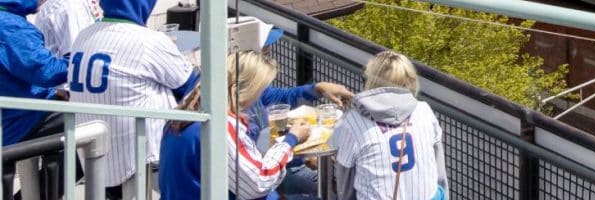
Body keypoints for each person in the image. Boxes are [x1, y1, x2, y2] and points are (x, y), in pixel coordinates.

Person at [66, 0, 200, 194]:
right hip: (138, 156)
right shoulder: (148, 41)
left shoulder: (84, 35)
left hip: (93, 151)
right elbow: (191, 85)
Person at [158, 51, 309, 200]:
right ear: (249, 89)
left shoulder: (184, 113)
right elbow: (260, 181)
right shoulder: (220, 125)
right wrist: (291, 139)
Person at [332, 51, 446, 200]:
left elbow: (344, 190)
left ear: (370, 81)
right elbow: (441, 177)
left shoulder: (353, 123)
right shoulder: (424, 110)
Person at [0, 0, 69, 149]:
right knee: (88, 120)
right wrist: (78, 62)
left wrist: (53, 92)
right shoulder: (12, 28)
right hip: (18, 119)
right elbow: (45, 71)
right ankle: (60, 179)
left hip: (12, 110)